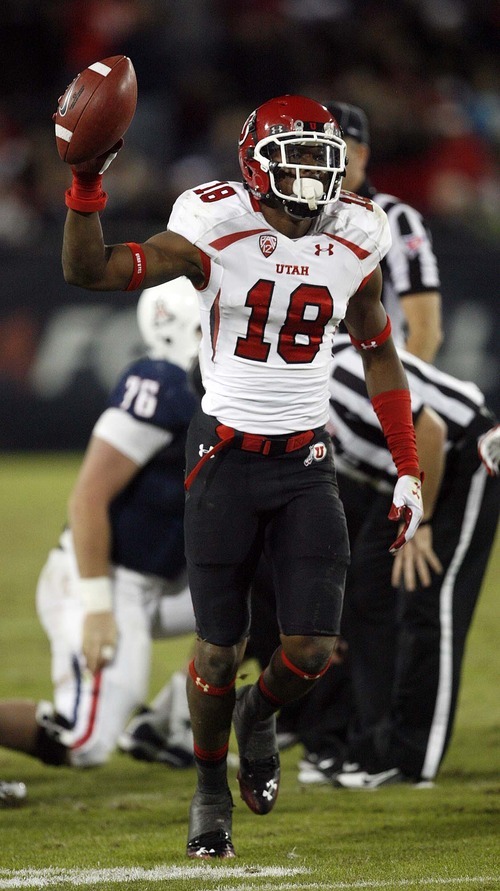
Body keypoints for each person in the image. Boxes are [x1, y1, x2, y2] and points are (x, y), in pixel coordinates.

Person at [57, 92, 424, 859]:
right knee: (217, 649)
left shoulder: (358, 232)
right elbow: (90, 270)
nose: (313, 183)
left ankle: (260, 714)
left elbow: (378, 346)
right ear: (255, 170)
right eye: (295, 165)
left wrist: (408, 468)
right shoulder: (213, 224)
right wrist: (87, 184)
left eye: (325, 165)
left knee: (314, 648)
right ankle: (207, 789)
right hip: (224, 457)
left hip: (304, 461)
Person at [0, 278, 200, 769]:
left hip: (160, 581)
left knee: (267, 598)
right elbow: (88, 497)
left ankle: (167, 724)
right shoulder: (162, 381)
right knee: (83, 740)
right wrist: (96, 607)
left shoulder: (213, 388)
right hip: (107, 580)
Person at [296, 339, 499, 787]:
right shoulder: (290, 400)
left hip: (464, 455)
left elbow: (431, 430)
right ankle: (373, 742)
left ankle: (410, 760)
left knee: (430, 600)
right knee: (366, 593)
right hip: (400, 477)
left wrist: (420, 524)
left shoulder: (334, 378)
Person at [326, 101, 443, 363]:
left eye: (335, 150)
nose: (324, 161)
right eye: (315, 150)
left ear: (361, 155)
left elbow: (425, 330)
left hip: (371, 379)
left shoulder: (394, 218)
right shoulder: (297, 216)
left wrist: (396, 398)